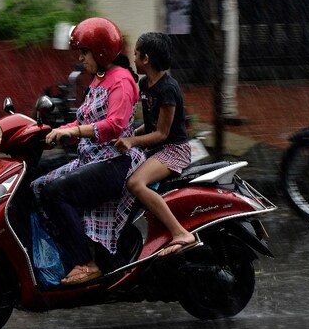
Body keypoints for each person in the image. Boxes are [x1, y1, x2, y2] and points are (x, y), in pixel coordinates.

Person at [31, 17, 145, 286]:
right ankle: (64, 255)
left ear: (101, 51)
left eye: (84, 52)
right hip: (91, 157)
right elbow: (83, 121)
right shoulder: (99, 79)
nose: (81, 58)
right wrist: (53, 134)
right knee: (36, 186)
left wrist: (73, 132)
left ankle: (86, 263)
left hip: (116, 161)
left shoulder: (122, 81)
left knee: (55, 192)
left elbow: (115, 125)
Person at [114, 32, 196, 257]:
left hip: (173, 150)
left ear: (146, 59)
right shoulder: (145, 84)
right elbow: (149, 126)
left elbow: (161, 133)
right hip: (157, 148)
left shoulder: (168, 88)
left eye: (137, 55)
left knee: (136, 183)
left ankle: (180, 233)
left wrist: (131, 141)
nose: (134, 59)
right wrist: (127, 135)